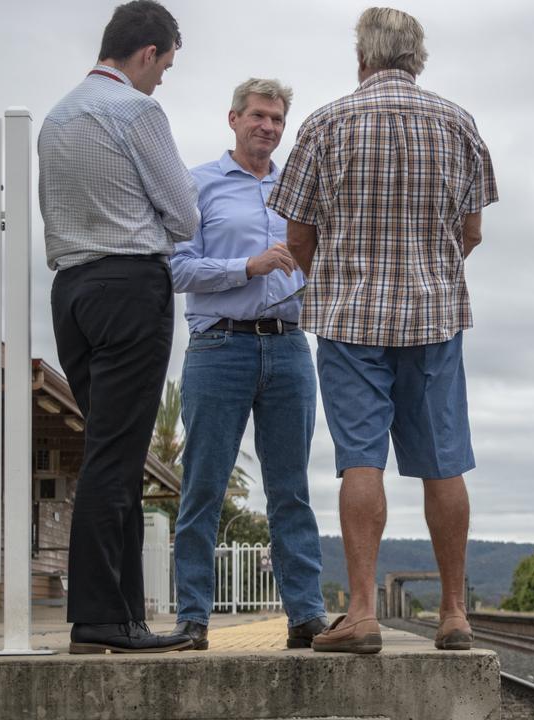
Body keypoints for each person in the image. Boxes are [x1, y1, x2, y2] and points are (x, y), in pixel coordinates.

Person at [267, 7, 498, 653]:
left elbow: (298, 233)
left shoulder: (324, 123)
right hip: (435, 319)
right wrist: (427, 273)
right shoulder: (459, 123)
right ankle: (455, 615)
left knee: (361, 460)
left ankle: (363, 614)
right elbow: (472, 230)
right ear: (416, 58)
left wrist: (340, 279)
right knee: (444, 462)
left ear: (362, 58)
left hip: (350, 322)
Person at [38, 0, 197, 653]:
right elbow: (185, 217)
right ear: (147, 53)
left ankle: (126, 615)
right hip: (129, 285)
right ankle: (101, 617)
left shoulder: (56, 118)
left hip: (71, 288)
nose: (163, 78)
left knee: (115, 450)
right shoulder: (138, 110)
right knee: (116, 454)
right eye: (166, 65)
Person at [169, 78, 328, 651]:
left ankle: (306, 615)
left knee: (291, 490)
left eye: (277, 120)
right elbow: (176, 270)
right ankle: (192, 619)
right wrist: (248, 267)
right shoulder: (198, 185)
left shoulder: (300, 190)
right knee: (204, 486)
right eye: (258, 116)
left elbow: (319, 264)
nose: (268, 127)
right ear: (233, 119)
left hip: (288, 348)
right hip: (219, 348)